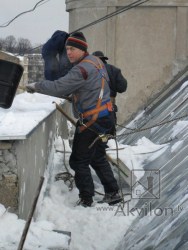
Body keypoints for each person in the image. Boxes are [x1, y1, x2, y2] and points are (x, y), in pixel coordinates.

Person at [26, 32, 122, 207]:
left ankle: (86, 199)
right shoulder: (96, 61)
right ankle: (113, 192)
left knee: (78, 160)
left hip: (93, 121)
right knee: (97, 156)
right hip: (105, 116)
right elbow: (92, 86)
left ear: (82, 49)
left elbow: (58, 87)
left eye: (72, 49)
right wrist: (77, 95)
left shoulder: (81, 69)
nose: (68, 52)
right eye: (67, 49)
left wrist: (36, 86)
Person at [92, 51, 127, 124]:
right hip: (109, 107)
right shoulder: (113, 70)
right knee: (109, 132)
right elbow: (122, 87)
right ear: (104, 59)